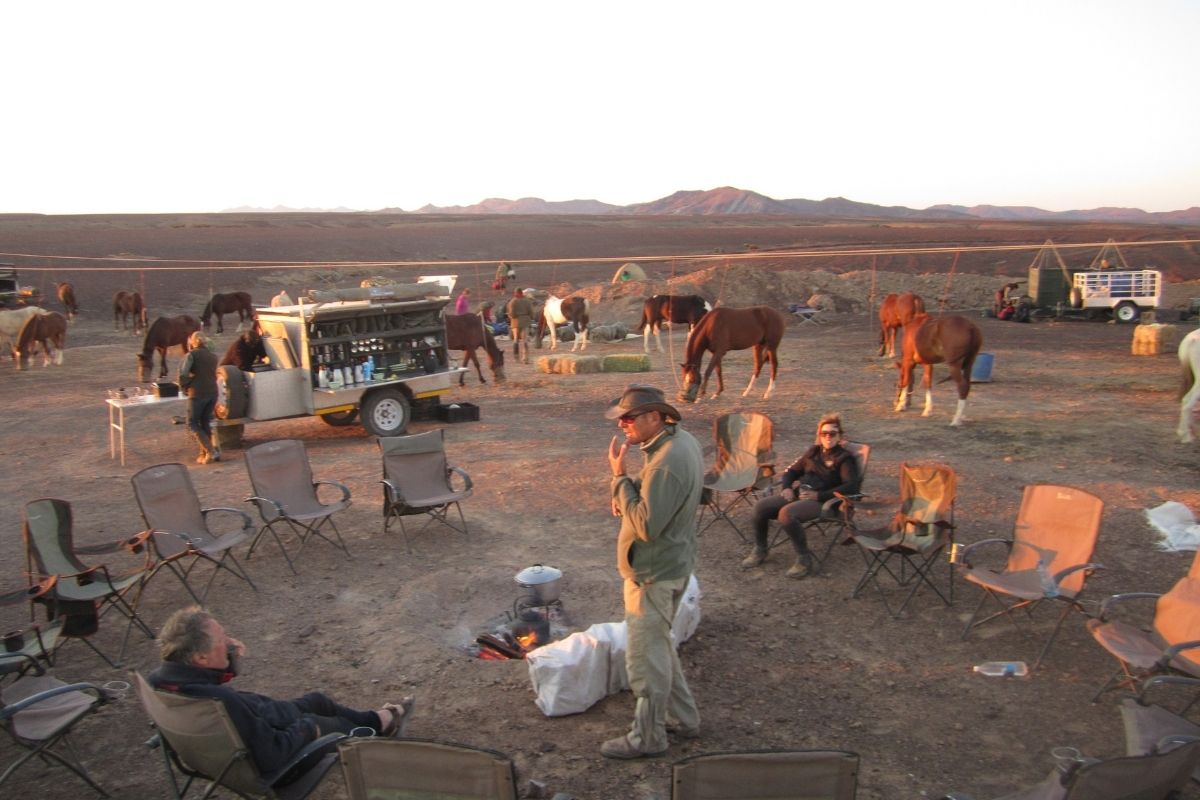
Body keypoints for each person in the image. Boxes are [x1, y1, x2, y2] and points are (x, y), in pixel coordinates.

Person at [149, 607, 415, 781]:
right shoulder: (222, 703)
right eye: (222, 640)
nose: (229, 641)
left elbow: (212, 681)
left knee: (317, 700)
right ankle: (379, 741)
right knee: (326, 723)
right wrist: (310, 730)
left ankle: (377, 721)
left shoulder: (161, 681)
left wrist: (228, 659)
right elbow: (270, 756)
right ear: (201, 657)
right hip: (276, 767)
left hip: (236, 737)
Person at [602, 384, 703, 759]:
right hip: (673, 563)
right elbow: (662, 500)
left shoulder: (665, 461)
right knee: (661, 649)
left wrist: (619, 479)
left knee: (645, 660)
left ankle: (647, 737)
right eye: (622, 419)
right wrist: (631, 490)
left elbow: (646, 525)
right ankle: (685, 719)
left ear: (656, 417)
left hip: (652, 573)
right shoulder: (680, 443)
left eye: (629, 418)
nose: (623, 425)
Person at [742, 413, 860, 579]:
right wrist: (787, 487)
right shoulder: (813, 452)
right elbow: (792, 471)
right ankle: (760, 549)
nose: (828, 437)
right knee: (760, 508)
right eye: (824, 433)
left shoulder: (844, 458)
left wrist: (819, 495)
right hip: (800, 495)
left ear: (840, 436)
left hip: (825, 502)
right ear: (819, 435)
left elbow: (851, 486)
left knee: (786, 514)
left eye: (832, 433)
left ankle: (804, 559)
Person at [179, 331, 220, 464]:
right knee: (205, 422)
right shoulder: (213, 356)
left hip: (198, 393)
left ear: (193, 342)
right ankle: (205, 454)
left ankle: (210, 451)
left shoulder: (192, 355)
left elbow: (183, 373)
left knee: (192, 423)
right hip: (213, 392)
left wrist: (185, 386)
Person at [505, 288, 534, 363]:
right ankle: (525, 358)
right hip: (525, 321)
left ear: (516, 293)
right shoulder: (527, 301)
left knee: (516, 340)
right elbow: (531, 312)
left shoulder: (513, 301)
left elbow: (511, 313)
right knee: (525, 340)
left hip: (515, 322)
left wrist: (511, 317)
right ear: (522, 293)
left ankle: (516, 357)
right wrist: (531, 317)